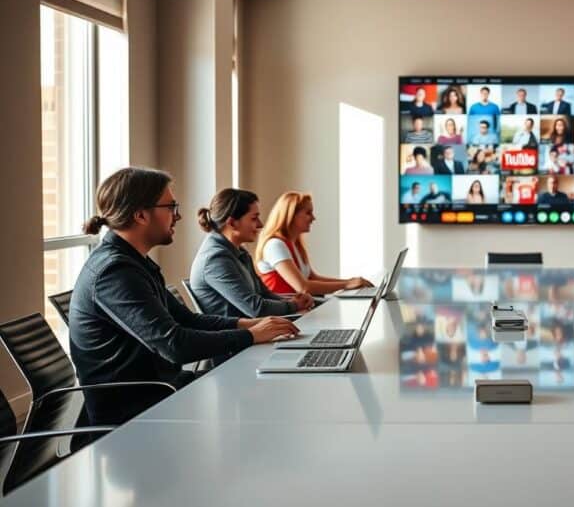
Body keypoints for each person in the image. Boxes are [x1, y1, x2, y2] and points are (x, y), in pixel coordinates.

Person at [70, 168, 299, 425]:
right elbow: (174, 345)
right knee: (265, 399)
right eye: (171, 206)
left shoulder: (136, 263)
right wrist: (250, 335)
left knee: (268, 388)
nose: (177, 216)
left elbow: (188, 320)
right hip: (137, 414)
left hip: (163, 393)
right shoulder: (115, 272)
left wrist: (247, 324)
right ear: (141, 215)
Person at [190, 188, 314, 321]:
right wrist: (294, 305)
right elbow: (256, 309)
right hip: (240, 338)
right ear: (232, 223)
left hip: (256, 330)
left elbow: (264, 294)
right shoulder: (216, 259)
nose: (260, 225)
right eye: (254, 218)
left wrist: (294, 300)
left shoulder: (239, 251)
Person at [256, 191, 373, 296]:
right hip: (285, 314)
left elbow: (312, 278)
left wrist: (351, 282)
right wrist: (347, 284)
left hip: (300, 308)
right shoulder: (275, 245)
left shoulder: (295, 244)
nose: (313, 218)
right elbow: (303, 287)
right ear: (291, 215)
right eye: (308, 213)